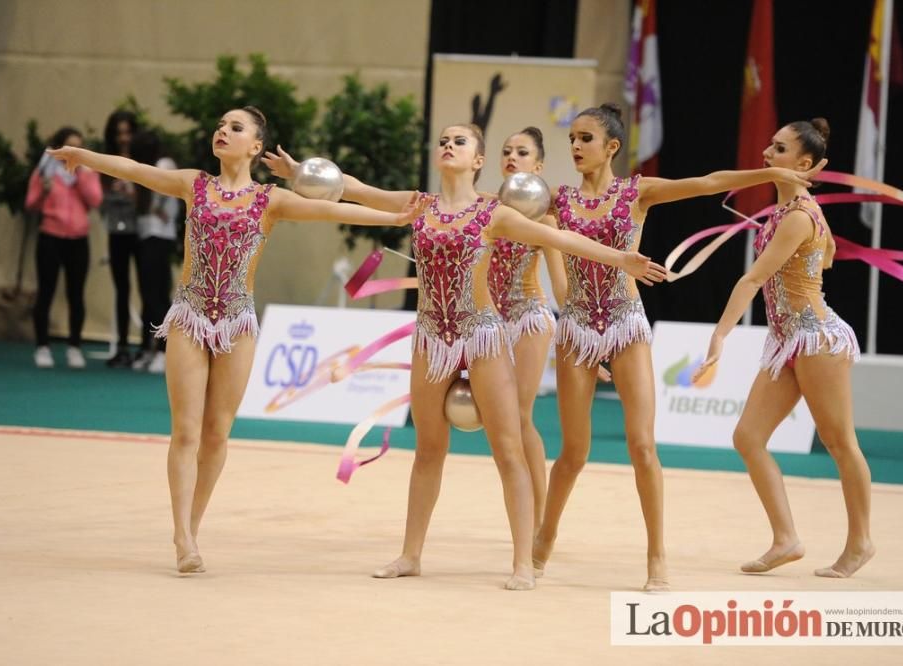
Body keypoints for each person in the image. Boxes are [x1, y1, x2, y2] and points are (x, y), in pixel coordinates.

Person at [264, 124, 667, 590]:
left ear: (478, 161)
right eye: (444, 141)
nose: (448, 146)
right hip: (433, 337)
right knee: (428, 449)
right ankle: (410, 554)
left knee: (508, 448)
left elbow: (562, 241)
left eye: (460, 142)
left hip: (483, 336)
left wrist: (622, 260)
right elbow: (357, 192)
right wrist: (302, 172)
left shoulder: (495, 212)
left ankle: (522, 561)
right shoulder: (421, 206)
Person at [48, 106, 426, 574]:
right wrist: (83, 155)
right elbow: (136, 171)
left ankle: (194, 524)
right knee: (186, 431)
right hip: (189, 317)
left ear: (256, 147)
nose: (223, 131)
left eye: (236, 127)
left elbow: (328, 207)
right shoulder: (194, 184)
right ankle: (183, 538)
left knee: (216, 433)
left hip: (236, 325)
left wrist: (391, 220)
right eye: (220, 125)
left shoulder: (271, 200)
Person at [533, 104, 826, 591]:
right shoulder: (558, 200)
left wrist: (766, 171)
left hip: (627, 325)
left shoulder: (637, 192)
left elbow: (709, 181)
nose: (576, 147)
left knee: (643, 446)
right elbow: (499, 211)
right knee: (574, 452)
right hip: (578, 331)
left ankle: (656, 558)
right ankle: (543, 540)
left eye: (586, 139)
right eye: (572, 139)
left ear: (611, 147)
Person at [692, 118, 874, 578]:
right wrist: (815, 254)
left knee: (839, 442)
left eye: (779, 149)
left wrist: (719, 336)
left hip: (815, 337)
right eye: (769, 146)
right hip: (787, 340)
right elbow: (829, 254)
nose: (767, 154)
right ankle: (786, 539)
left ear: (805, 164)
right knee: (747, 438)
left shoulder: (795, 216)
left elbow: (753, 278)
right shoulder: (790, 212)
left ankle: (860, 542)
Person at [486, 127, 567, 532]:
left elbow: (563, 288)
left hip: (530, 317)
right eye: (506, 151)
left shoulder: (545, 217)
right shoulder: (484, 209)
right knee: (501, 421)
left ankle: (539, 520)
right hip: (490, 324)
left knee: (520, 416)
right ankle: (530, 514)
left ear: (538, 166)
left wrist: (583, 340)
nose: (512, 157)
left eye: (522, 152)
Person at [25, 126, 103, 369]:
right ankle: (42, 346)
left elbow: (96, 200)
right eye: (70, 146)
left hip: (78, 239)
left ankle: (74, 347)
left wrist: (80, 175)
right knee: (46, 291)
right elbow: (31, 203)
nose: (75, 150)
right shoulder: (45, 170)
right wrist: (44, 190)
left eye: (79, 146)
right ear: (61, 148)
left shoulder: (87, 170)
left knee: (76, 294)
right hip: (51, 236)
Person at [130, 130, 178, 373]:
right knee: (148, 295)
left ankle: (164, 349)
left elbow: (160, 204)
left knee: (157, 294)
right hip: (146, 233)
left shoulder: (163, 165)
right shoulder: (151, 166)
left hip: (159, 235)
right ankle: (148, 347)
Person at [101, 110, 141, 367]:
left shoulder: (143, 160)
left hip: (141, 229)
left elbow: (148, 198)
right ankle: (123, 344)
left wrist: (132, 193)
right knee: (121, 287)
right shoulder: (108, 163)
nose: (124, 138)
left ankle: (149, 347)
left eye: (128, 133)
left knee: (148, 287)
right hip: (116, 229)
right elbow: (99, 199)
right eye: (119, 134)